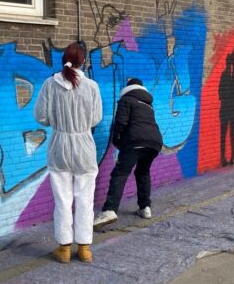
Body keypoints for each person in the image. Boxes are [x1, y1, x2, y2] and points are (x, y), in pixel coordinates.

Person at [34, 42, 102, 263]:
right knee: (85, 199)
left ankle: (64, 248)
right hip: (84, 145)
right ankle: (84, 248)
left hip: (59, 145)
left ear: (63, 60)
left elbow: (40, 117)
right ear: (83, 62)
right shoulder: (91, 86)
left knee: (62, 199)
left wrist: (58, 121)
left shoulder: (49, 84)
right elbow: (95, 119)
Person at [93, 77, 162, 227]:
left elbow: (121, 122)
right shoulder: (148, 104)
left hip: (135, 142)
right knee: (142, 172)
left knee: (120, 173)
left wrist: (117, 141)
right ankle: (145, 207)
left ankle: (110, 210)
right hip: (154, 143)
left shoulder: (126, 100)